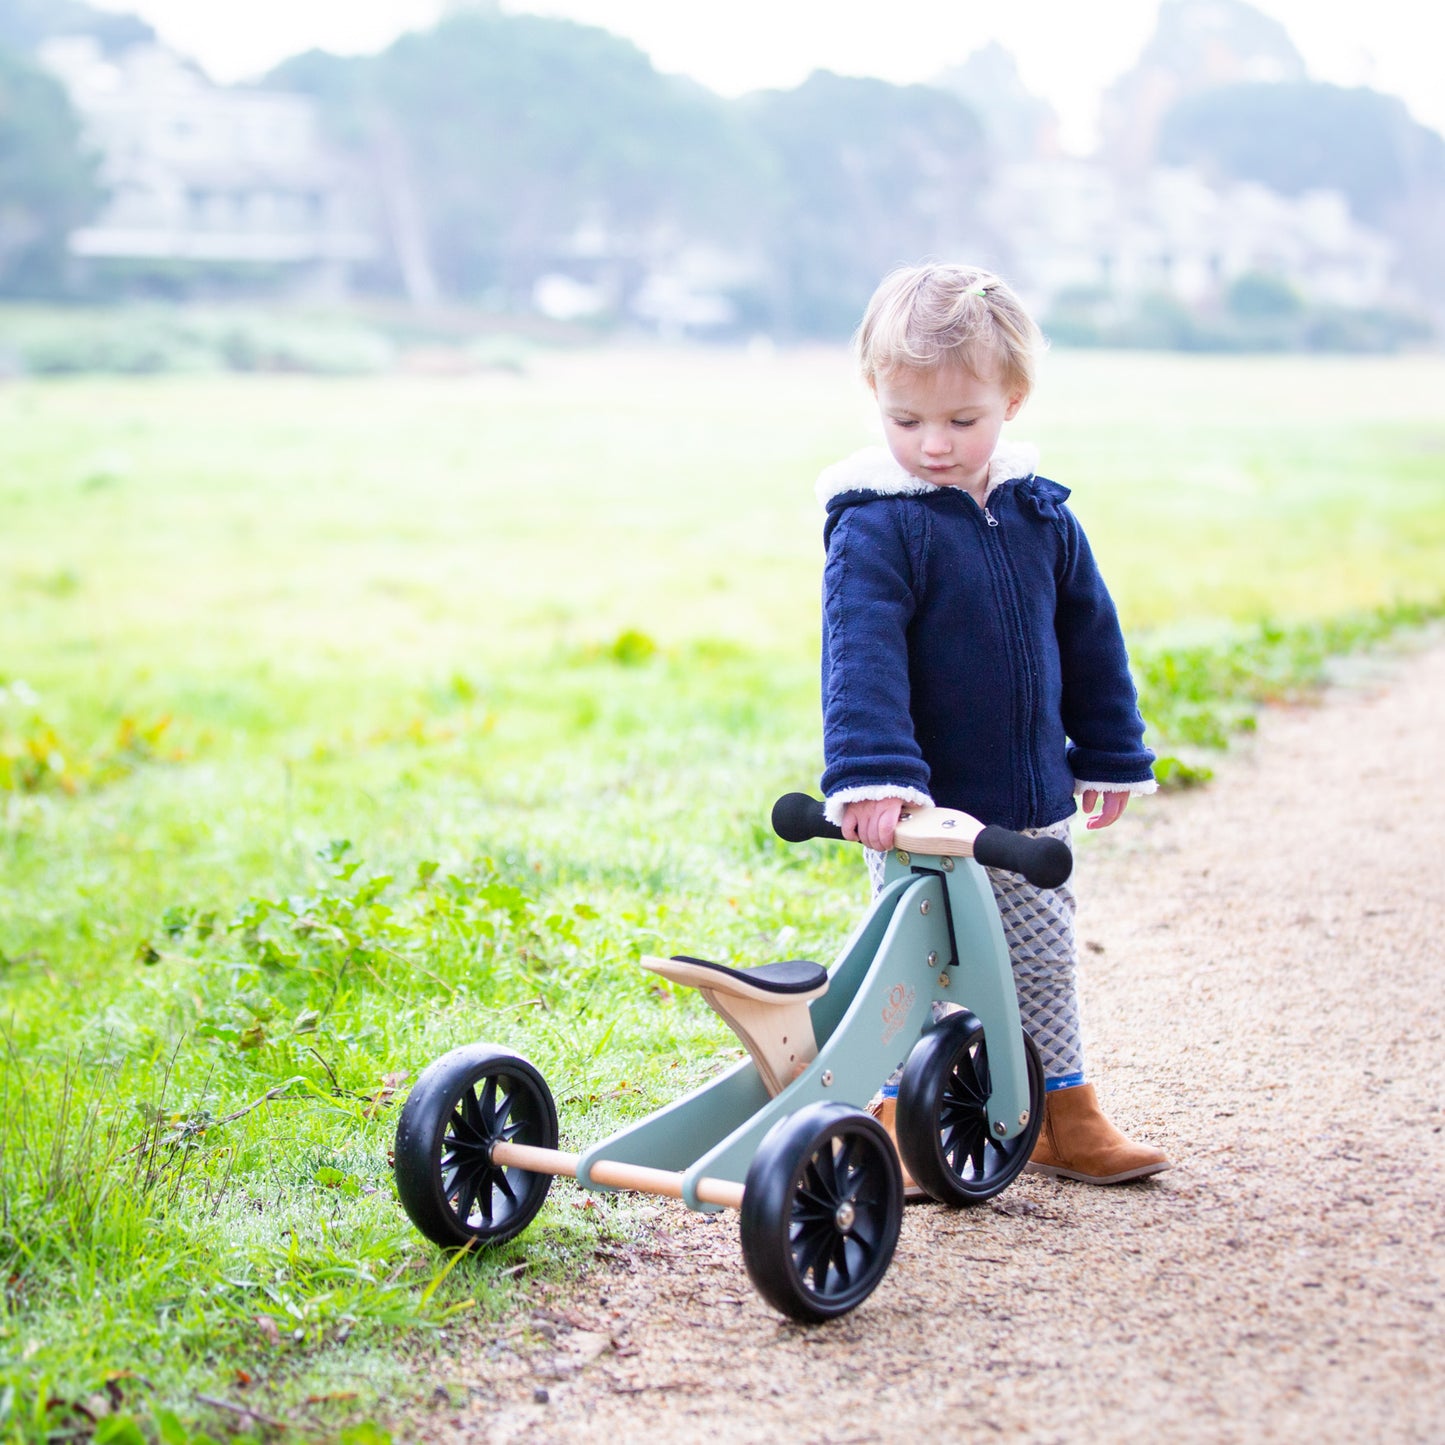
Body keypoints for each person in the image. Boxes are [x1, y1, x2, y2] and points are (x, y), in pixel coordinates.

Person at [816, 261, 1169, 1186]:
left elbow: (1091, 642)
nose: (933, 444)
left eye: (960, 420)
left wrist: (1107, 753)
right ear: (874, 399)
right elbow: (860, 655)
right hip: (922, 810)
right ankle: (896, 1116)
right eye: (906, 420)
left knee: (1042, 961)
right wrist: (875, 774)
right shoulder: (876, 525)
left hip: (1028, 804)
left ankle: (1061, 1112)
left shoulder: (1040, 514)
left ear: (1011, 400)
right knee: (914, 972)